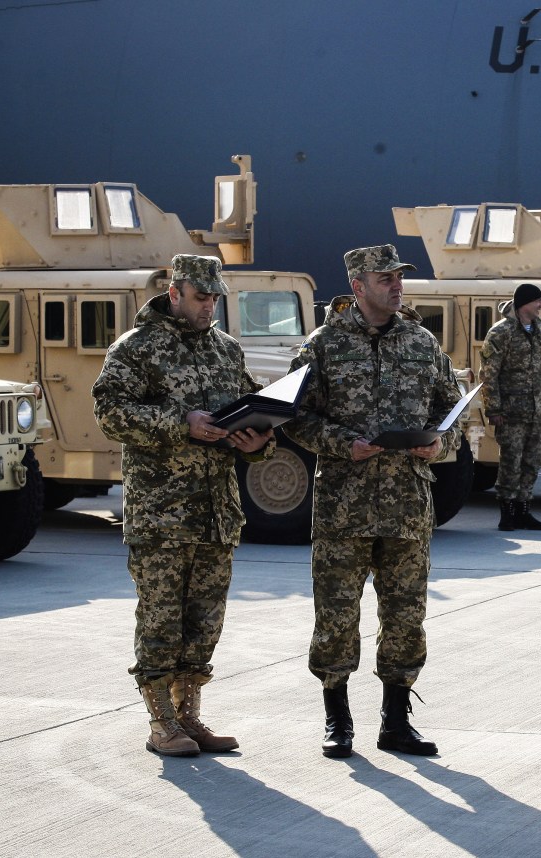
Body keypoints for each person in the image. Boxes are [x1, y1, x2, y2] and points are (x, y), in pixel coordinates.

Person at [283, 244, 463, 759]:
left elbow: (452, 410)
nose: (396, 285)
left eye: (399, 276)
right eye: (384, 278)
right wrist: (344, 443)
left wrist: (440, 444)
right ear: (358, 287)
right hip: (344, 505)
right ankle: (337, 720)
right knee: (337, 615)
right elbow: (294, 416)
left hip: (407, 504)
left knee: (406, 615)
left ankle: (396, 721)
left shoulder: (422, 343)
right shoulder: (323, 344)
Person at [93, 253, 275, 757]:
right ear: (174, 294)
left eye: (215, 297)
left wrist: (260, 441)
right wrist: (181, 422)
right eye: (200, 297)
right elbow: (110, 413)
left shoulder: (226, 350)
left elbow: (254, 405)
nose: (209, 307)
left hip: (217, 510)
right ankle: (160, 723)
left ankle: (189, 716)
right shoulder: (136, 349)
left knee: (205, 620)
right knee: (160, 620)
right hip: (162, 513)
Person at [480, 282, 541, 531]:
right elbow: (489, 374)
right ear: (524, 303)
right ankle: (507, 512)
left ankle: (524, 510)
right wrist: (493, 409)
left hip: (535, 410)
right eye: (537, 301)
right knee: (510, 462)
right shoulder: (501, 333)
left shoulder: (540, 330)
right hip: (511, 411)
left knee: (531, 463)